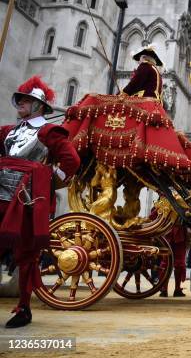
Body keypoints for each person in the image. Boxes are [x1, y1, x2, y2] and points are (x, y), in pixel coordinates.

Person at [0, 76, 80, 328]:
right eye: (21, 99)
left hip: (25, 201)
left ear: (38, 106)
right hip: (1, 194)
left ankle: (24, 307)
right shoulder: (8, 131)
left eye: (27, 100)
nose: (21, 103)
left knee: (25, 254)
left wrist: (45, 182)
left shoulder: (48, 132)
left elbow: (71, 162)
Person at [160, 224, 188, 297]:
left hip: (167, 229)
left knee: (166, 263)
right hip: (177, 231)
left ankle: (164, 289)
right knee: (178, 262)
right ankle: (176, 289)